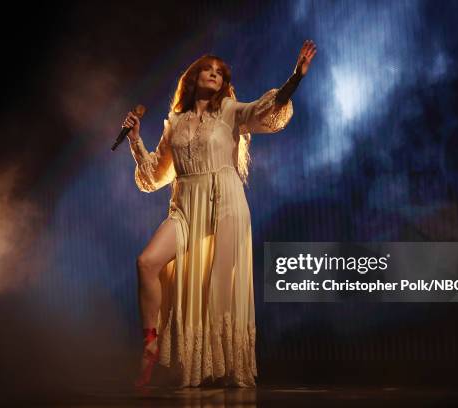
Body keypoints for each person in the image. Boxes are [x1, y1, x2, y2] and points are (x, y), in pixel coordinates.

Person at [123, 40, 317, 388]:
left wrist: (295, 79)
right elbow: (154, 174)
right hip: (185, 204)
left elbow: (265, 109)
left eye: (220, 73)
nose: (214, 74)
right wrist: (135, 141)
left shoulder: (229, 110)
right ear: (194, 77)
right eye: (208, 69)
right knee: (147, 263)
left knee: (217, 289)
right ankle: (150, 343)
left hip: (225, 199)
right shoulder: (176, 123)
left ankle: (223, 367)